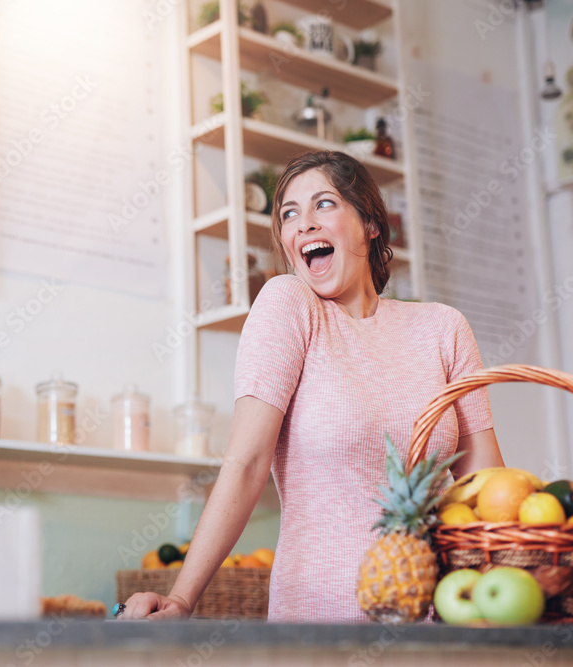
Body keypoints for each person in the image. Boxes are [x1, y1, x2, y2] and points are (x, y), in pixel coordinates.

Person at [121, 150, 504, 623]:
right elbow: (246, 462)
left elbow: (486, 489)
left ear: (370, 224)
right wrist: (182, 599)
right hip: (319, 622)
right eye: (288, 214)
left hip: (441, 617)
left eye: (324, 204)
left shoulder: (443, 329)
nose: (303, 225)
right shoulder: (289, 304)